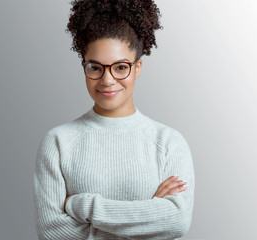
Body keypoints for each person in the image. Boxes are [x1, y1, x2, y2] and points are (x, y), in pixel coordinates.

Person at [33, 0, 195, 239]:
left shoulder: (169, 143)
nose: (107, 80)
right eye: (96, 67)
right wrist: (147, 216)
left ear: (138, 67)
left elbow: (177, 221)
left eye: (120, 67)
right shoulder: (58, 142)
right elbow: (51, 232)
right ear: (84, 68)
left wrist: (80, 205)